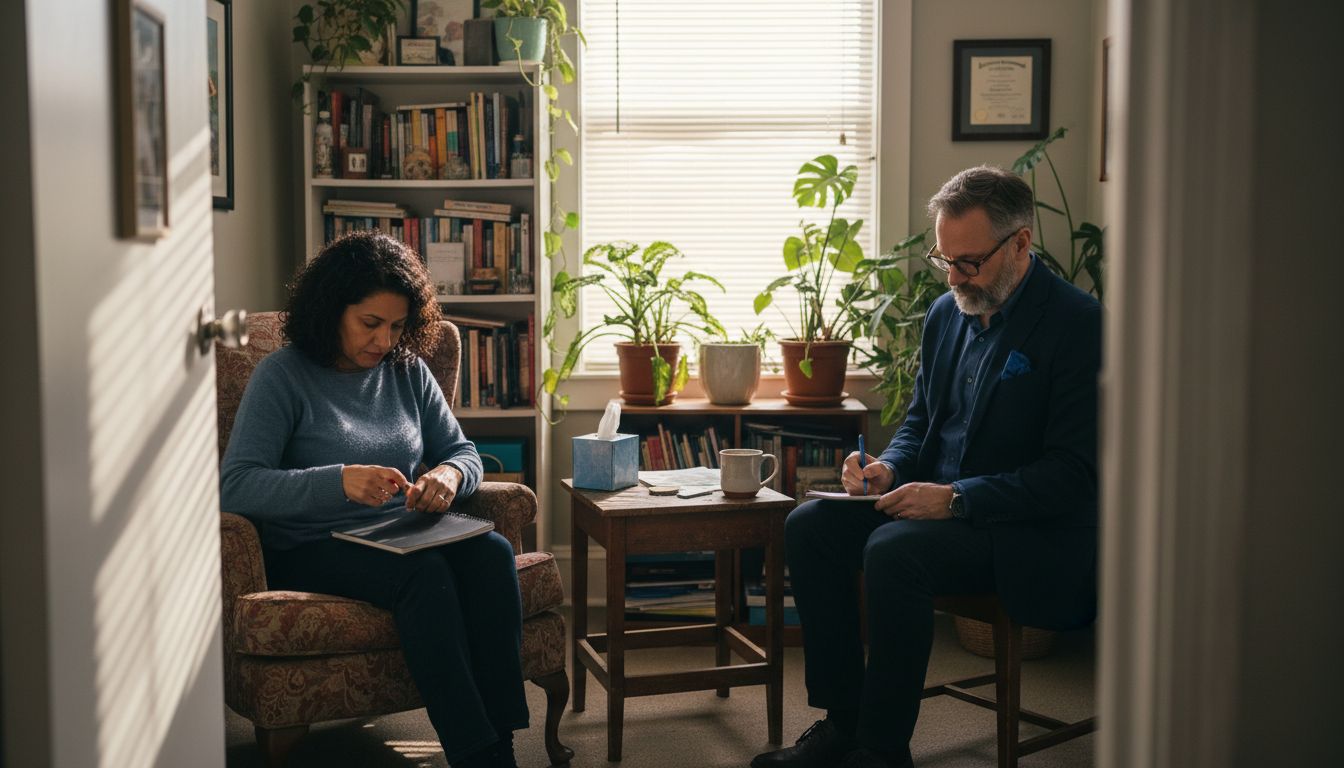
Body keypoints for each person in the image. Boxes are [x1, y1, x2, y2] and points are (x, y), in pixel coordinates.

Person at [753, 166, 1102, 768]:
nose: (955, 277)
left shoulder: (1079, 323)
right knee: (808, 527)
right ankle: (845, 722)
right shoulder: (946, 314)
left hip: (1022, 531)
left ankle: (885, 751)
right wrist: (886, 467)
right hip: (932, 512)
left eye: (970, 262)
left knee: (894, 550)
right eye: (946, 261)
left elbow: (1073, 474)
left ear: (1021, 243)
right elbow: (920, 423)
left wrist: (956, 497)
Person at [220, 231, 526, 768]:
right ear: (331, 310)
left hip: (399, 533)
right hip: (310, 546)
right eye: (370, 323)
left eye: (398, 325)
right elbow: (237, 484)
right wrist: (337, 480)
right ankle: (475, 753)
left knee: (493, 555)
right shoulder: (282, 376)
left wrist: (451, 477)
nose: (385, 340)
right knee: (424, 576)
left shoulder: (407, 371)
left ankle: (502, 741)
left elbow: (463, 451)